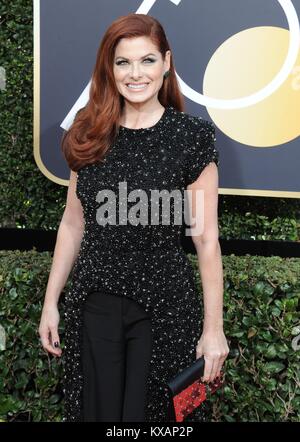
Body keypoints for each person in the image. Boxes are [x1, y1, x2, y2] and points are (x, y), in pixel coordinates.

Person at [38, 13, 229, 422]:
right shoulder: (89, 132)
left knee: (154, 421)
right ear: (110, 68)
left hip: (164, 310)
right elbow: (73, 224)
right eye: (123, 62)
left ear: (166, 62)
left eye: (146, 60)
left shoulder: (191, 137)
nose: (135, 73)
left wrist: (214, 329)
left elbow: (206, 240)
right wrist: (51, 301)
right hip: (94, 306)